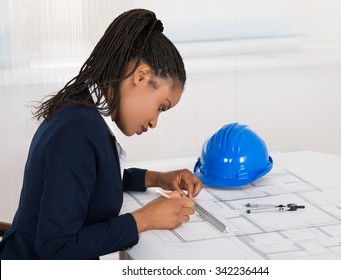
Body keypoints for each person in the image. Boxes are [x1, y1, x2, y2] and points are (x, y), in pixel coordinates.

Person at [0, 9, 202, 260]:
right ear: (141, 76)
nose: (154, 122)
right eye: (161, 106)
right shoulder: (78, 132)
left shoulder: (82, 112)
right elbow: (55, 249)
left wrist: (159, 178)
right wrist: (144, 220)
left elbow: (91, 180)